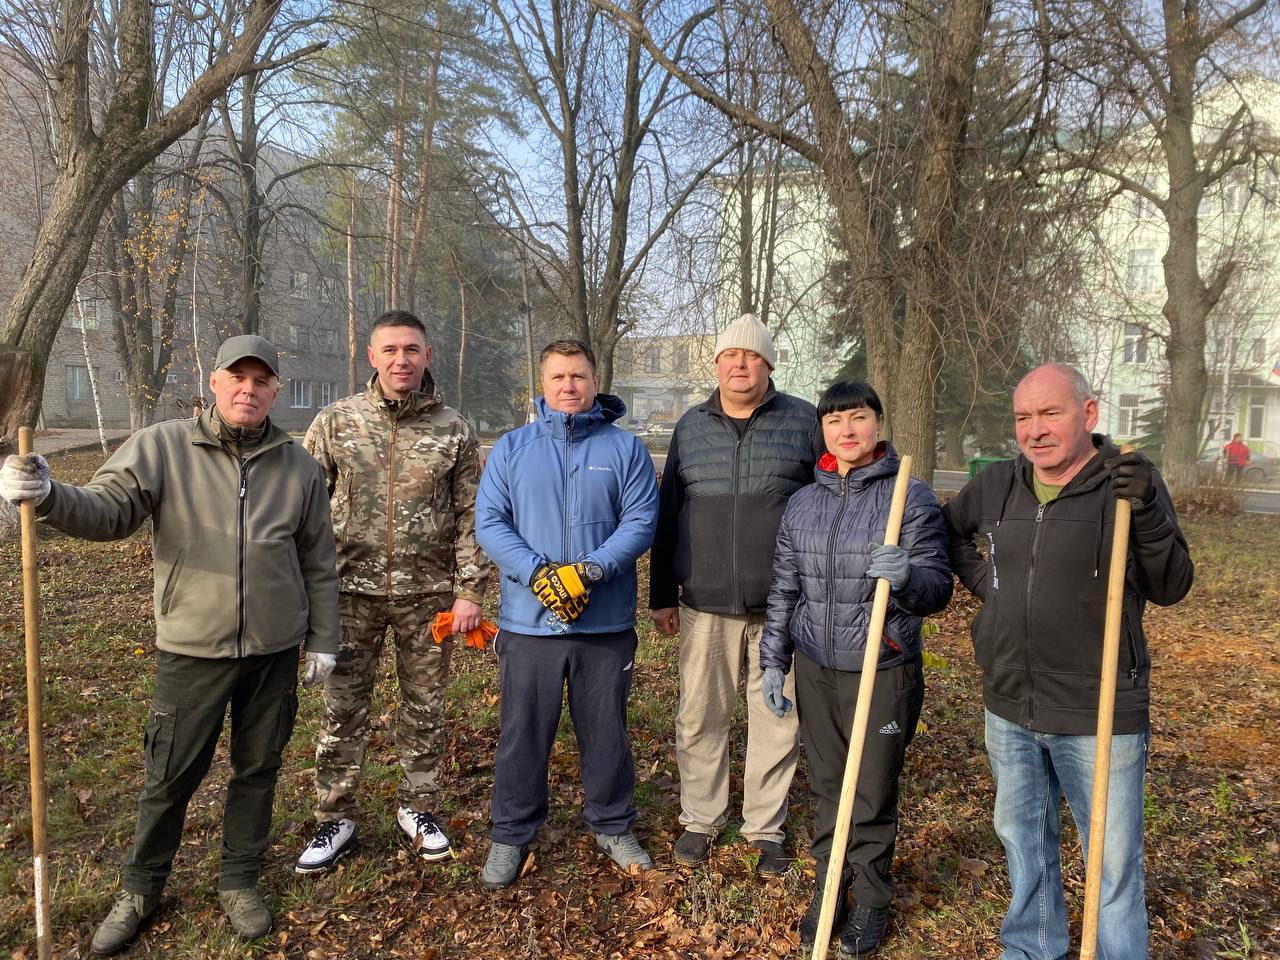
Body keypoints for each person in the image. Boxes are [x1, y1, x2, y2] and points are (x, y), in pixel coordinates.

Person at [0, 335, 339, 954]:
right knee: (169, 776)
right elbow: (107, 511)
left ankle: (239, 879)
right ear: (213, 382)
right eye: (239, 377)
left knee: (257, 769)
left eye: (262, 381)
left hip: (273, 653)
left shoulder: (298, 466)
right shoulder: (163, 448)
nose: (250, 389)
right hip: (191, 649)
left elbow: (318, 561)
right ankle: (141, 887)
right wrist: (48, 496)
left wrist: (323, 639)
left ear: (276, 392)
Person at [943, 363, 1194, 960]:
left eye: (1049, 413)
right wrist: (991, 583)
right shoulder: (999, 483)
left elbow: (1172, 584)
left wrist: (1153, 513)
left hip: (1098, 704)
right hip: (1010, 699)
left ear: (1088, 413)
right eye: (1023, 417)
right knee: (1024, 842)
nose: (1035, 430)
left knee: (1111, 861)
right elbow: (949, 532)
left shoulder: (1128, 483)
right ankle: (1032, 949)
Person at [294, 310, 490, 874]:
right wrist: (308, 592)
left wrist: (469, 590)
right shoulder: (335, 423)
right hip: (347, 596)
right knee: (342, 708)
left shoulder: (453, 429)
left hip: (428, 597)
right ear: (371, 356)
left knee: (424, 708)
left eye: (412, 349)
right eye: (390, 350)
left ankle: (419, 806)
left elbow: (471, 514)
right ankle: (336, 815)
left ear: (427, 356)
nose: (401, 360)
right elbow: (303, 512)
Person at [760, 381, 952, 955]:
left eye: (858, 418)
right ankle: (829, 886)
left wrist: (908, 576)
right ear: (822, 430)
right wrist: (774, 661)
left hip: (883, 666)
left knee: (869, 789)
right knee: (826, 783)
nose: (847, 430)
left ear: (878, 423)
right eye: (835, 420)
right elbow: (784, 589)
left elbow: (937, 587)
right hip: (818, 666)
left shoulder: (907, 497)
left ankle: (869, 898)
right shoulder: (804, 502)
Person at [474, 339, 658, 890]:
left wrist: (589, 571)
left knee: (606, 731)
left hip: (603, 624)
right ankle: (511, 833)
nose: (568, 386)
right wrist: (539, 573)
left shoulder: (626, 450)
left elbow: (640, 522)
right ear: (543, 383)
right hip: (529, 622)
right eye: (558, 377)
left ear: (595, 381)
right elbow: (491, 522)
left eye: (578, 376)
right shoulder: (512, 448)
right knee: (523, 732)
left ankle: (612, 823)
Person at [648, 312, 821, 874]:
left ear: (768, 363)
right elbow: (668, 514)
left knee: (776, 715)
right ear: (717, 364)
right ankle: (701, 817)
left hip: (782, 605)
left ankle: (765, 827)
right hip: (704, 602)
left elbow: (828, 502)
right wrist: (661, 595)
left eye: (751, 356)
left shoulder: (803, 421)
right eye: (729, 356)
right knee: (700, 714)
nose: (739, 365)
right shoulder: (691, 427)